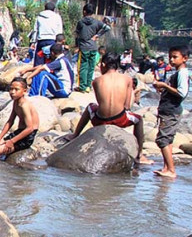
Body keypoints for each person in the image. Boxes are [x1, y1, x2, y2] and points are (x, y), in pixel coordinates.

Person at [68, 52, 147, 163]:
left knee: (90, 107)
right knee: (139, 119)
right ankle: (139, 154)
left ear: (104, 64)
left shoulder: (96, 81)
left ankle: (75, 135)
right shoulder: (127, 79)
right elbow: (127, 105)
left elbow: (100, 102)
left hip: (100, 120)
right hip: (120, 119)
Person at [152, 45, 189, 179]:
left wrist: (164, 85)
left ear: (185, 58)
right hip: (169, 110)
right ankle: (167, 167)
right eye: (170, 57)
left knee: (163, 140)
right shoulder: (178, 73)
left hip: (171, 111)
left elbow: (182, 92)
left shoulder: (182, 73)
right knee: (167, 139)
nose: (171, 60)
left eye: (175, 57)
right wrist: (163, 89)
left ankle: (171, 170)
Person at [0, 77, 40, 162]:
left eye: (16, 89)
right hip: (19, 132)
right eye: (11, 89)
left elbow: (30, 128)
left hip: (27, 136)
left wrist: (11, 141)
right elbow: (10, 121)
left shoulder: (24, 105)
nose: (12, 92)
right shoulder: (16, 102)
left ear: (24, 91)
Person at [74, 3, 109, 92]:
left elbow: (77, 35)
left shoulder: (81, 22)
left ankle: (82, 86)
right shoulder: (96, 22)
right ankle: (88, 86)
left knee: (83, 67)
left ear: (84, 12)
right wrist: (97, 35)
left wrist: (77, 45)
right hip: (93, 47)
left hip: (83, 47)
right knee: (91, 67)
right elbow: (107, 28)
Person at [32, 1, 63, 66]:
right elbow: (59, 31)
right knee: (51, 62)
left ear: (45, 8)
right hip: (52, 41)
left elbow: (35, 30)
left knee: (39, 60)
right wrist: (59, 42)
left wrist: (33, 42)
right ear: (54, 9)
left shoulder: (39, 16)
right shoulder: (57, 17)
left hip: (41, 41)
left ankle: (37, 75)